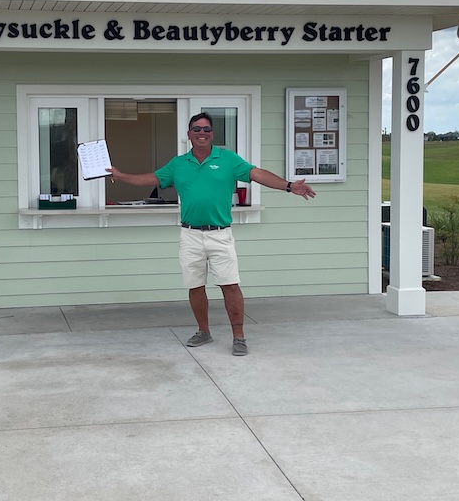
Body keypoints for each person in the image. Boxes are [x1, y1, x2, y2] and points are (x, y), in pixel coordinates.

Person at [107, 112, 316, 356]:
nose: (202, 133)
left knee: (229, 285)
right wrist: (121, 176)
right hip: (190, 235)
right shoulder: (178, 164)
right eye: (197, 129)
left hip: (220, 235)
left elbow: (256, 174)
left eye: (206, 129)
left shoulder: (227, 159)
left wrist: (289, 186)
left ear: (212, 134)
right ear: (189, 135)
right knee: (195, 286)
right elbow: (152, 178)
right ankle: (203, 331)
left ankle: (239, 336)